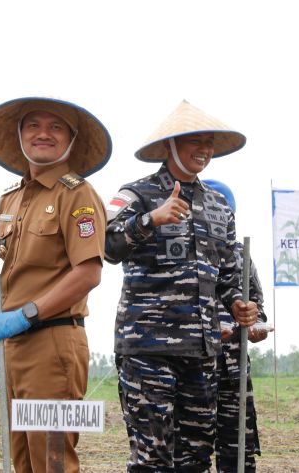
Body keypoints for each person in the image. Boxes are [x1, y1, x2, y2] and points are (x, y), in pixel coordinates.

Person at [0, 97, 111, 473]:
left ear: (71, 140)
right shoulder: (10, 197)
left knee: (53, 459)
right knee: (21, 459)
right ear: (20, 136)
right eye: (33, 126)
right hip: (13, 347)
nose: (43, 134)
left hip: (54, 343)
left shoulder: (77, 194)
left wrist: (27, 313)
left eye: (56, 127)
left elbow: (89, 273)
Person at [105, 100, 258, 472]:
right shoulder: (135, 194)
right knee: (152, 456)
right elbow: (106, 246)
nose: (204, 149)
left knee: (196, 456)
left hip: (202, 352)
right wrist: (149, 220)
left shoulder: (219, 205)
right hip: (148, 348)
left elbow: (226, 272)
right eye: (194, 140)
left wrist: (238, 303)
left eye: (209, 142)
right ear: (170, 145)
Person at [203, 179, 269, 473]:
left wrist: (257, 328)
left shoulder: (242, 256)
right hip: (193, 369)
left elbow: (258, 309)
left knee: (238, 453)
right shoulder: (182, 254)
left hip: (234, 372)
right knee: (191, 451)